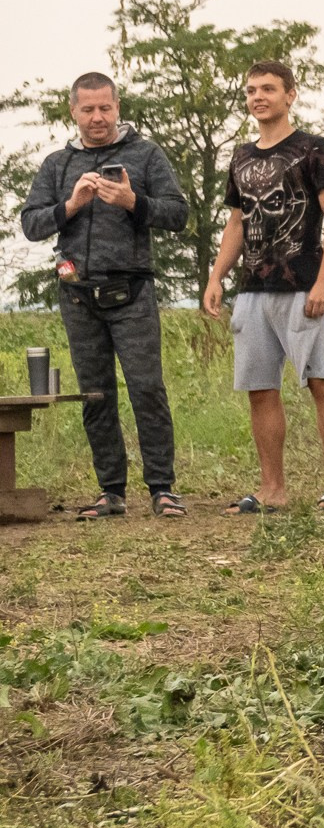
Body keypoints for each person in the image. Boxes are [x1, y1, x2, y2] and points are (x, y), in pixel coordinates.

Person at [20, 72, 190, 519]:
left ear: (118, 107)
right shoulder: (57, 165)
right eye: (88, 109)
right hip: (77, 294)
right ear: (72, 111)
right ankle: (110, 491)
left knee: (146, 389)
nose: (97, 117)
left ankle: (163, 488)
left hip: (132, 290)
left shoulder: (146, 153)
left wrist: (135, 202)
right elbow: (32, 224)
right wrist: (71, 205)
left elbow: (178, 214)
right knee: (95, 395)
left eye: (105, 108)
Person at [201, 61, 324, 514]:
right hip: (252, 289)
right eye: (251, 90)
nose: (258, 97)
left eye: (268, 89)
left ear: (290, 94)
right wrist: (217, 276)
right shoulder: (240, 156)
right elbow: (236, 221)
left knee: (321, 381)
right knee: (259, 388)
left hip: (303, 284)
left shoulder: (315, 149)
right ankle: (272, 488)